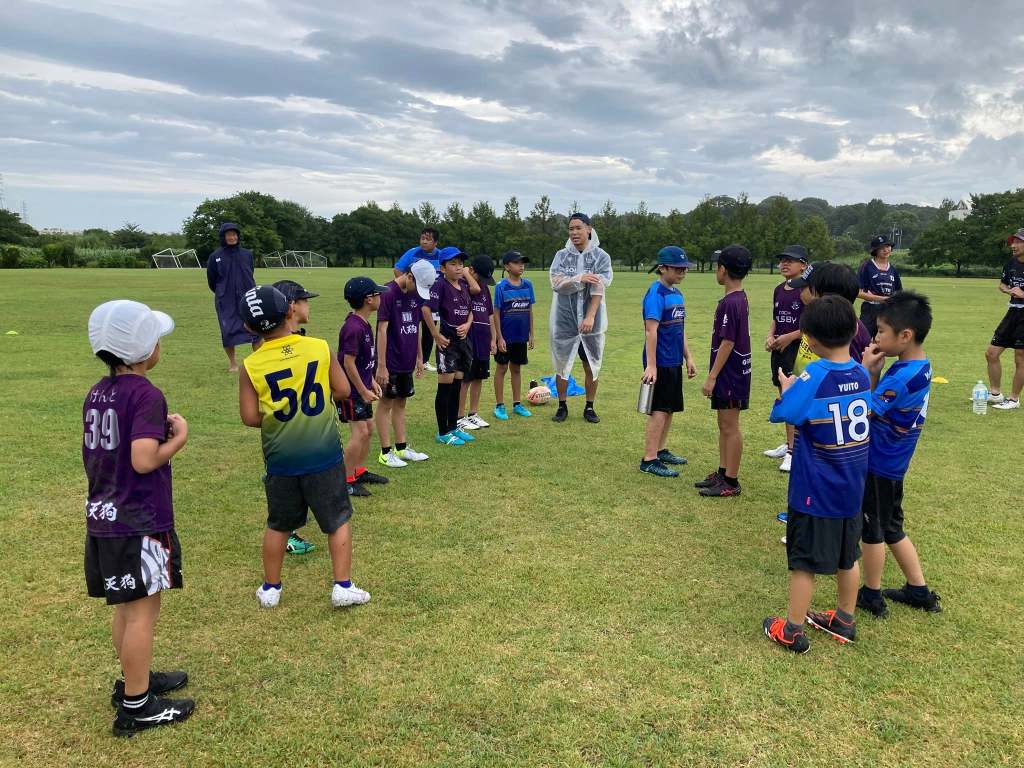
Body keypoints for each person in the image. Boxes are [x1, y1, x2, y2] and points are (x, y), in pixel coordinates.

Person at [84, 299, 194, 736]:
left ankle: (135, 681)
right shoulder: (147, 394)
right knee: (143, 611)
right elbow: (144, 459)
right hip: (140, 521)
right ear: (147, 349)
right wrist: (179, 439)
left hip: (106, 514)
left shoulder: (98, 391)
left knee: (127, 608)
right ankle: (137, 705)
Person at [238, 285, 370, 610]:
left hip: (281, 459)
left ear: (248, 327)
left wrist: (281, 415)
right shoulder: (318, 347)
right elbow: (342, 390)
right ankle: (342, 585)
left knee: (279, 523)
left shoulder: (251, 365)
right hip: (324, 455)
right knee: (337, 519)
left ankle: (271, 588)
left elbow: (250, 417)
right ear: (289, 311)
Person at [763, 296, 871, 653]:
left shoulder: (815, 374)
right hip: (851, 488)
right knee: (847, 555)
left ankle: (792, 630)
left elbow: (786, 414)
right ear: (854, 330)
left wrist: (787, 389)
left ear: (807, 338)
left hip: (815, 490)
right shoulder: (860, 372)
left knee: (804, 562)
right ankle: (845, 618)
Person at [857, 291, 942, 617]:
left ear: (905, 335)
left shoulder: (903, 377)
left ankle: (871, 594)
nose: (876, 337)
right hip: (893, 463)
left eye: (881, 331)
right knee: (892, 527)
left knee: (873, 531)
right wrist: (875, 373)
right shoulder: (917, 366)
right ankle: (919, 591)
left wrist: (864, 369)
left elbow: (864, 411)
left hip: (880, 463)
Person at [269, 279, 322, 555]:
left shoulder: (292, 339)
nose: (308, 306)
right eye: (304, 301)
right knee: (288, 489)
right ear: (291, 306)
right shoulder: (277, 344)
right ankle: (287, 535)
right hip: (289, 431)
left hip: (298, 430)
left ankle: (290, 530)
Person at [695, 245, 752, 497]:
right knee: (723, 424)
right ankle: (722, 471)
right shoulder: (737, 298)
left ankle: (731, 480)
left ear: (723, 270)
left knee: (730, 426)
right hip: (731, 372)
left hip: (731, 374)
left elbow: (727, 342)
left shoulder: (732, 302)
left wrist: (712, 376)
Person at [549, 213, 613, 423]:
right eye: (571, 229)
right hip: (564, 319)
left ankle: (589, 406)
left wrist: (590, 316)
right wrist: (579, 278)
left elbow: (599, 286)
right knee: (562, 364)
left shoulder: (600, 256)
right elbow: (556, 283)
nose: (574, 232)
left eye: (578, 228)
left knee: (591, 363)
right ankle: (562, 406)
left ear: (589, 229)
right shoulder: (561, 256)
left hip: (591, 322)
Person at [639, 246, 697, 478]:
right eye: (678, 268)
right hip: (660, 362)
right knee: (659, 410)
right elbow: (650, 331)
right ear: (662, 268)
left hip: (674, 360)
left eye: (685, 269)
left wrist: (688, 357)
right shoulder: (656, 294)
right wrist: (651, 365)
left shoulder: (677, 294)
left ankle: (660, 450)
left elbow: (680, 329)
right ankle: (649, 459)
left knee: (670, 408)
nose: (683, 272)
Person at [374, 261, 433, 468]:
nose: (418, 291)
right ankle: (385, 452)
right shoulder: (388, 293)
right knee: (386, 403)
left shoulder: (416, 294)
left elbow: (416, 326)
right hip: (390, 360)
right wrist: (382, 365)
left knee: (401, 402)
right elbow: (382, 330)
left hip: (407, 359)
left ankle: (401, 447)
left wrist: (419, 357)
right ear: (409, 276)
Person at [423, 247, 481, 445]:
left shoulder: (463, 285)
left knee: (457, 386)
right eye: (453, 264)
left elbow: (471, 311)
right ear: (443, 268)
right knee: (445, 388)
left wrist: (468, 324)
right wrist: (436, 334)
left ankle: (453, 427)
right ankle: (443, 432)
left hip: (463, 343)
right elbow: (425, 309)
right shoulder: (440, 285)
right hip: (447, 343)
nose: (458, 268)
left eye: (460, 264)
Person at [338, 277, 389, 496]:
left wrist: (372, 382)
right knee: (359, 432)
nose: (380, 297)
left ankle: (358, 471)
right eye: (377, 294)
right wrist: (362, 390)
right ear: (368, 299)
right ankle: (345, 480)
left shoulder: (364, 324)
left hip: (362, 387)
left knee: (368, 429)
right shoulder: (353, 327)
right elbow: (348, 363)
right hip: (351, 391)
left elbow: (362, 362)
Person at [763, 245, 808, 473]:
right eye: (782, 260)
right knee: (783, 394)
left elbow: (810, 325)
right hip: (780, 350)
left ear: (804, 265)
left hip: (798, 351)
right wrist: (770, 336)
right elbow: (776, 318)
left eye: (790, 260)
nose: (784, 264)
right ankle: (789, 443)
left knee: (794, 399)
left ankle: (793, 451)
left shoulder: (806, 291)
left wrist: (789, 337)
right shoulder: (779, 289)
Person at [206, 222, 256, 372]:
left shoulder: (247, 254)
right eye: (228, 235)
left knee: (256, 329)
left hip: (248, 297)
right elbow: (212, 280)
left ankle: (257, 361)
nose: (232, 237)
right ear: (223, 237)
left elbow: (250, 272)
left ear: (238, 236)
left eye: (234, 234)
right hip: (225, 299)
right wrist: (222, 292)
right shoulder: (215, 256)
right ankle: (233, 363)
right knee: (227, 331)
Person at [493, 250, 536, 420]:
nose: (521, 265)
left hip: (520, 336)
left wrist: (531, 333)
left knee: (516, 369)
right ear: (507, 266)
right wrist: (499, 337)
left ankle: (517, 404)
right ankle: (499, 405)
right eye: (517, 262)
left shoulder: (528, 285)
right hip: (505, 337)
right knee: (502, 368)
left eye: (522, 262)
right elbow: (496, 313)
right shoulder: (501, 287)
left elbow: (530, 310)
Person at [985, 228, 1024, 410]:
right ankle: (995, 394)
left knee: (1020, 358)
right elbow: (1002, 284)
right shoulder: (1011, 263)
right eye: (1012, 242)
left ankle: (1014, 399)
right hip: (1013, 312)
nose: (1013, 246)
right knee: (991, 353)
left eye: (1018, 242)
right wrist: (1009, 291)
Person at [458, 255, 498, 432]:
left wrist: (493, 338)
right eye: (480, 277)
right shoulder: (462, 284)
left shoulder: (484, 288)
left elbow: (490, 315)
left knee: (479, 377)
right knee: (465, 378)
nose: (482, 282)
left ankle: (473, 413)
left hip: (483, 338)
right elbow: (474, 288)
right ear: (471, 270)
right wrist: (466, 273)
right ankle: (459, 416)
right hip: (469, 338)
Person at [395, 227, 442, 371]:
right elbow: (397, 269)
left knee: (429, 329)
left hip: (431, 299)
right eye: (422, 238)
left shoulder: (441, 256)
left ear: (435, 242)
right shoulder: (412, 253)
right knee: (411, 327)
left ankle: (425, 360)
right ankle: (409, 356)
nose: (424, 242)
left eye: (428, 239)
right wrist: (406, 288)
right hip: (414, 297)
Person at [857, 234, 903, 337]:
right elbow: (858, 293)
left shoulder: (893, 270)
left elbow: (899, 293)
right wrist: (881, 299)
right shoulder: (866, 267)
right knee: (864, 340)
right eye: (882, 247)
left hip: (888, 311)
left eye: (888, 246)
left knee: (885, 342)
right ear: (875, 250)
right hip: (870, 309)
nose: (886, 250)